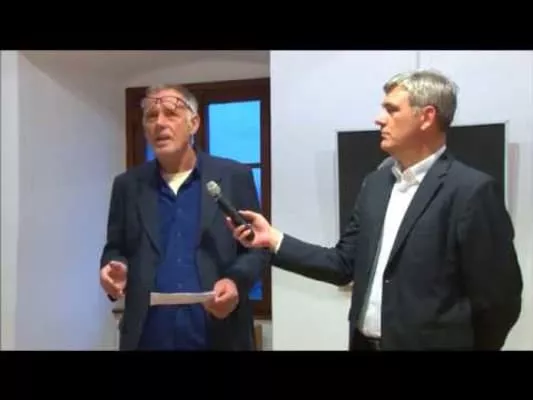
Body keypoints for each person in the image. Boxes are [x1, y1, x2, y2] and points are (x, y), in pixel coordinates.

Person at [227, 69, 523, 351]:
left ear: (426, 117)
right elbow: (342, 264)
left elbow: (500, 301)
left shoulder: (471, 190)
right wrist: (273, 239)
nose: (379, 119)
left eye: (392, 110)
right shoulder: (376, 184)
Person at [99, 83, 270, 351]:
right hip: (148, 336)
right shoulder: (127, 185)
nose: (160, 123)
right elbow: (115, 248)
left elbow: (258, 250)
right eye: (151, 116)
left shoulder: (233, 177)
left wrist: (235, 283)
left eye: (171, 113)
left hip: (219, 334)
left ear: (194, 123)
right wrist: (113, 269)